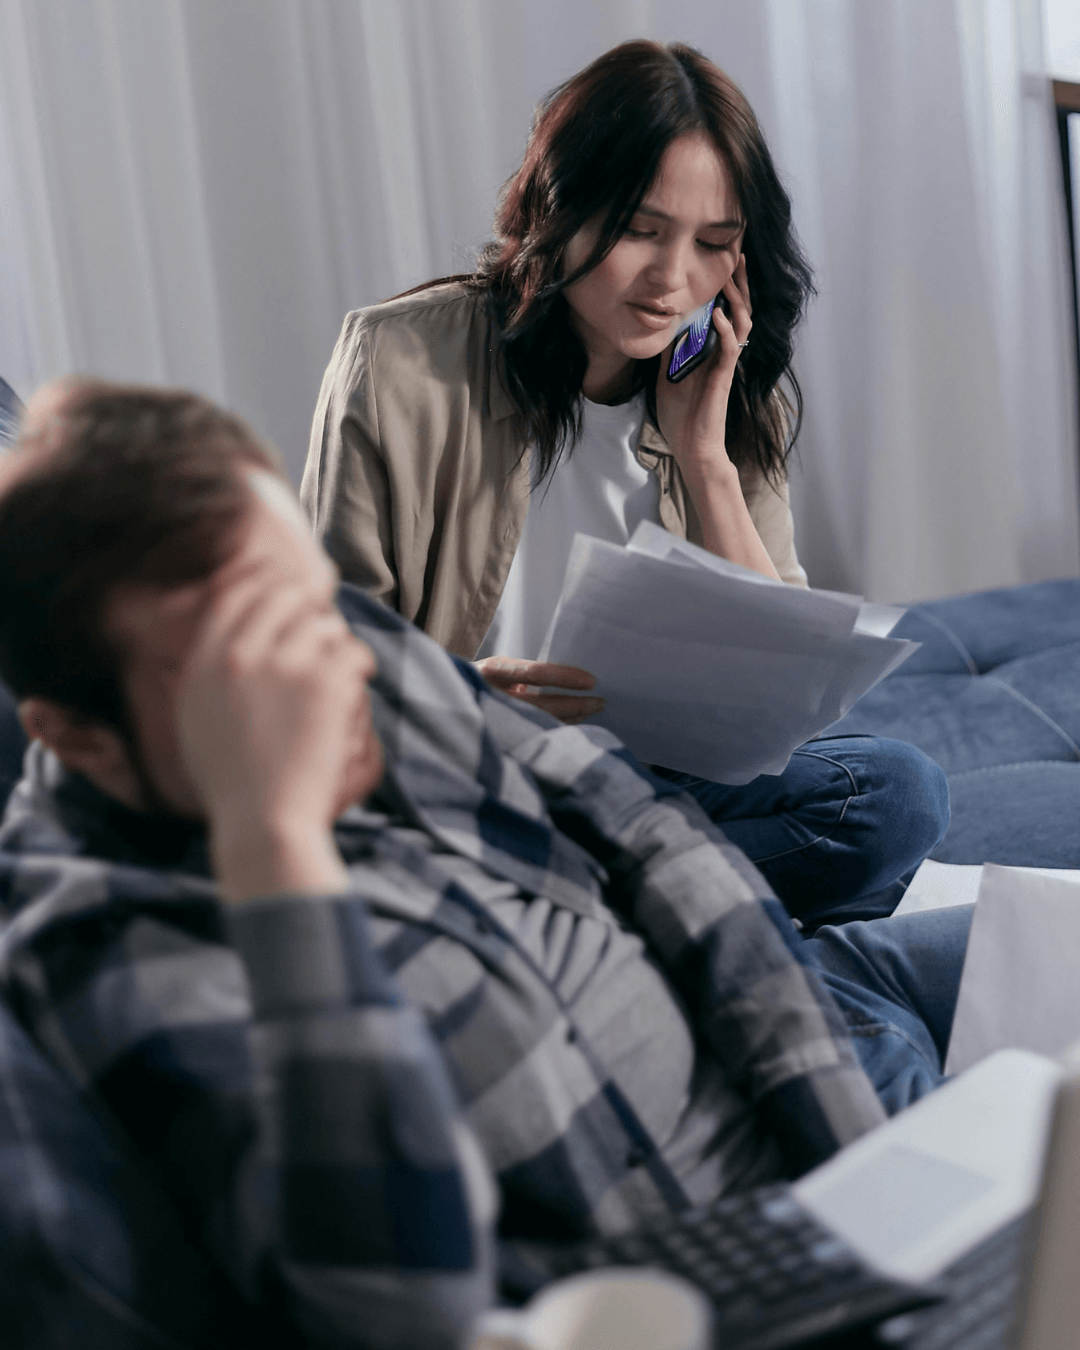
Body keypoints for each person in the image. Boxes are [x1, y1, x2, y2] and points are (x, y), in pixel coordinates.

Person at [0, 380, 975, 1350]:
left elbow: (641, 824)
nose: (339, 668)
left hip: (789, 1044)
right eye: (249, 662)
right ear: (78, 737)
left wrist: (859, 1164)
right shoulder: (104, 944)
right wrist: (282, 851)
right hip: (708, 1269)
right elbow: (403, 1313)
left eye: (313, 605)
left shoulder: (337, 632)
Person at [301, 39, 947, 929]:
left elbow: (784, 699)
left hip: (652, 789)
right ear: (558, 209)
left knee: (900, 797)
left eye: (714, 244)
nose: (671, 279)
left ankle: (575, 910)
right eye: (640, 230)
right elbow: (324, 662)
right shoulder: (399, 362)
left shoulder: (728, 392)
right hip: (474, 774)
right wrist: (464, 697)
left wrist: (704, 458)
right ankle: (652, 909)